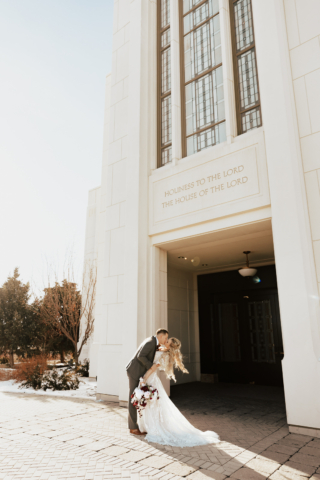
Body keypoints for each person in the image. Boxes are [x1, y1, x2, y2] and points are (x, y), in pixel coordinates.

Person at [137, 337, 220, 447]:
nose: (165, 340)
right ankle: (148, 425)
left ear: (169, 346)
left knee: (152, 403)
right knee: (153, 403)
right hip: (152, 378)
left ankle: (152, 426)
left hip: (150, 378)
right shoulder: (161, 350)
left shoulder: (162, 353)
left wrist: (143, 380)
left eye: (167, 341)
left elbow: (153, 368)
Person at [126, 328, 169, 436]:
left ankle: (138, 425)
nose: (166, 340)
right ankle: (133, 428)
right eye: (166, 337)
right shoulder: (151, 342)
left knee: (137, 397)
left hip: (138, 371)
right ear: (161, 336)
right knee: (133, 397)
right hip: (135, 371)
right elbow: (141, 356)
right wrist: (151, 366)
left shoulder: (153, 342)